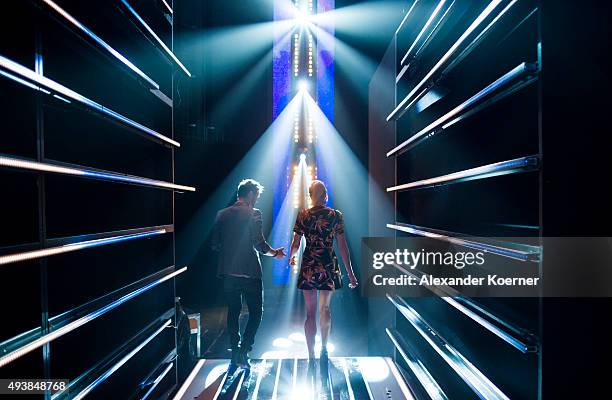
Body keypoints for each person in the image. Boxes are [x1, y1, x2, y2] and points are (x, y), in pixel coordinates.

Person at [211, 179, 286, 368]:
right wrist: (275, 253)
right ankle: (244, 349)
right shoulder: (253, 214)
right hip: (250, 272)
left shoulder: (221, 214)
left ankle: (235, 351)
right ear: (251, 194)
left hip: (228, 272)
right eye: (257, 196)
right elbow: (259, 244)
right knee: (256, 313)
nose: (257, 200)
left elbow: (215, 244)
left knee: (233, 312)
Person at [289, 180, 358, 361]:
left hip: (309, 265)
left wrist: (292, 255)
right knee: (325, 309)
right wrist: (350, 274)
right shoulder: (336, 215)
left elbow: (295, 243)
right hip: (328, 265)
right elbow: (343, 248)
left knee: (310, 313)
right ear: (325, 195)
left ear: (310, 196)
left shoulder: (303, 215)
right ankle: (324, 348)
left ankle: (311, 353)